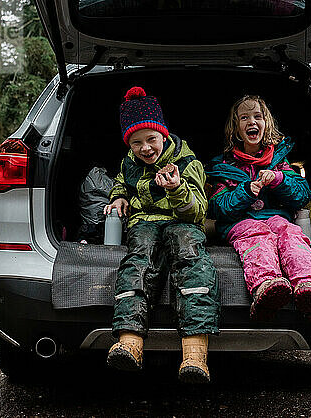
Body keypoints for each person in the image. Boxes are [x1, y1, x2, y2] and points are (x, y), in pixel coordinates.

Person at [104, 86, 220, 383]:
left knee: (191, 259)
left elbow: (197, 210)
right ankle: (130, 342)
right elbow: (121, 182)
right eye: (136, 142)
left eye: (151, 139)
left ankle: (195, 354)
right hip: (144, 222)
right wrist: (118, 197)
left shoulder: (186, 162)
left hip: (182, 221)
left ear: (164, 135)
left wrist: (176, 189)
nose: (145, 148)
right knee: (138, 260)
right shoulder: (128, 164)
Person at [206, 95, 311, 321]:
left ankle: (308, 285)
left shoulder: (279, 161)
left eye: (257, 116)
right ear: (235, 128)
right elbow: (216, 207)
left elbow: (302, 194)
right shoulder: (223, 167)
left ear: (267, 124)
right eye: (244, 117)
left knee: (289, 233)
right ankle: (266, 285)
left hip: (275, 217)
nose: (251, 121)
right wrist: (245, 192)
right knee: (257, 235)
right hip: (240, 223)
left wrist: (278, 179)